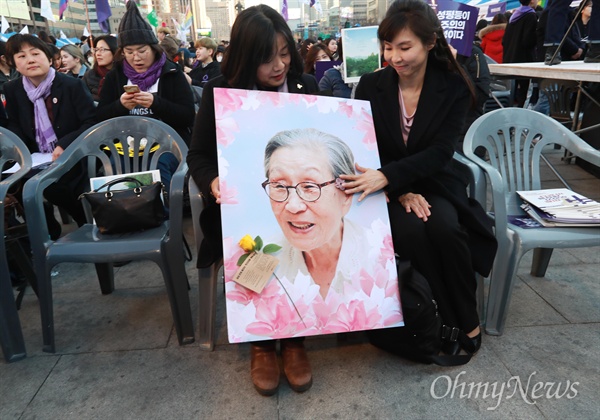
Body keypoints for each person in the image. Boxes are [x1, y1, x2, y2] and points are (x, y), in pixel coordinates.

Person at [345, 0, 497, 356]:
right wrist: (398, 188)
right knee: (413, 229)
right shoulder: (371, 85)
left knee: (445, 227)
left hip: (438, 181)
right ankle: (439, 319)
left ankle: (465, 315)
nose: (395, 57)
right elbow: (368, 148)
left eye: (404, 47)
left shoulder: (454, 86)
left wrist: (390, 177)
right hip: (388, 187)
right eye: (387, 47)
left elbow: (442, 151)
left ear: (429, 43)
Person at [187, 4, 319, 397]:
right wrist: (212, 183)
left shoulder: (305, 88)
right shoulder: (220, 92)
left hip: (297, 200)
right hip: (243, 204)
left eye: (284, 53)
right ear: (245, 57)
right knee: (254, 237)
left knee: (304, 231)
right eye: (266, 58)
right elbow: (199, 155)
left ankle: (294, 338)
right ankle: (262, 342)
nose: (278, 65)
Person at [4, 34, 97, 238]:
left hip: (73, 153)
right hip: (36, 157)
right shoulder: (13, 89)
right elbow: (15, 123)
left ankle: (88, 226)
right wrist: (19, 149)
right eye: (21, 56)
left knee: (59, 185)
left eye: (35, 54)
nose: (30, 60)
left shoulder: (70, 85)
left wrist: (64, 144)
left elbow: (90, 122)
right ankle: (45, 234)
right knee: (14, 182)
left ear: (49, 58)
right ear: (14, 64)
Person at [97, 1, 194, 191]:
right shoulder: (115, 76)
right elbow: (100, 117)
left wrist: (156, 103)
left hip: (167, 143)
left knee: (157, 167)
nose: (136, 58)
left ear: (153, 49)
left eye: (142, 51)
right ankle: (125, 214)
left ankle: (160, 215)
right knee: (115, 168)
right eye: (129, 52)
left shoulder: (172, 73)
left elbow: (187, 116)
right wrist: (120, 106)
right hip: (125, 145)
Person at [502, 0, 539, 106]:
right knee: (523, 92)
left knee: (511, 91)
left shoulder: (513, 16)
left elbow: (504, 41)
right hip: (524, 60)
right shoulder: (531, 15)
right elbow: (527, 40)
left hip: (509, 58)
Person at [83, 35, 117, 101]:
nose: (98, 54)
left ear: (114, 51)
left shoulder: (123, 74)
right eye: (97, 50)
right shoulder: (89, 75)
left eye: (102, 50)